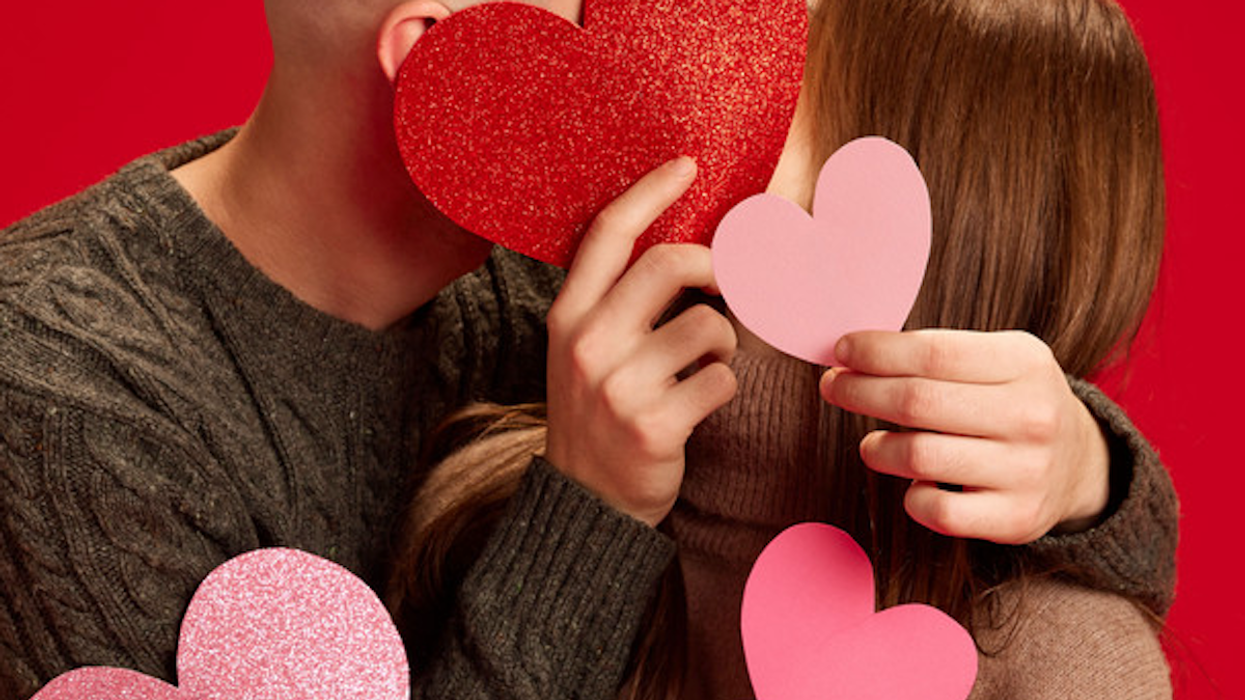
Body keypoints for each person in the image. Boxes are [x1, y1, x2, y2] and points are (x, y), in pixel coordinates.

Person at [387, 0, 1175, 698]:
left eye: (780, 75)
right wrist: (581, 523)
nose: (720, 72)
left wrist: (1092, 471)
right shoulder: (489, 496)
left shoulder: (1064, 663)